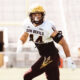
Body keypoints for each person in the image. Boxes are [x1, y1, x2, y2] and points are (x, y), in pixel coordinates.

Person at [16, 4, 76, 80]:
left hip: (50, 57)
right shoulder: (28, 24)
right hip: (47, 56)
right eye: (34, 14)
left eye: (39, 14)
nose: (37, 17)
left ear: (43, 15)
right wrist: (20, 43)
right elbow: (24, 36)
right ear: (30, 15)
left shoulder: (47, 27)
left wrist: (69, 59)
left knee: (27, 76)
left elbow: (63, 42)